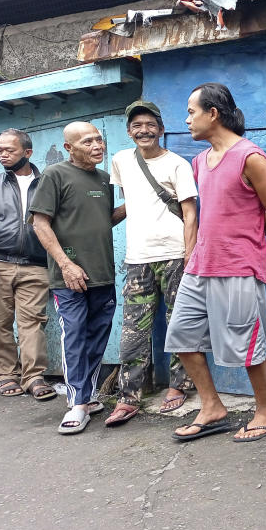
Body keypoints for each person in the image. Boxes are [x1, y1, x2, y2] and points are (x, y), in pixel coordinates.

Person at [164, 83, 266, 443]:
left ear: (213, 114)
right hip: (201, 265)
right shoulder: (200, 161)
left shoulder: (250, 157)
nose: (187, 119)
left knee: (246, 343)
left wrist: (242, 239)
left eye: (191, 111)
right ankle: (212, 407)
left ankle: (265, 411)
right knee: (182, 337)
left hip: (238, 266)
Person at [103, 101, 198, 426]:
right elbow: (132, 201)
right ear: (129, 131)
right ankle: (129, 397)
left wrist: (190, 252)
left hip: (174, 256)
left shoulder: (177, 164)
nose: (143, 130)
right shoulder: (120, 161)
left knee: (179, 323)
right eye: (136, 125)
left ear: (160, 129)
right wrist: (98, 226)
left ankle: (180, 385)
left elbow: (190, 213)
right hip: (137, 260)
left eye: (149, 124)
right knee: (133, 330)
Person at [31, 122, 125, 434]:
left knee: (98, 336)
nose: (97, 145)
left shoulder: (104, 178)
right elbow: (40, 223)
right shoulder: (55, 174)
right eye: (87, 141)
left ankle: (87, 395)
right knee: (74, 336)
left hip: (102, 273)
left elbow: (103, 220)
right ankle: (77, 404)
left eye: (99, 139)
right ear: (70, 148)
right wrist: (66, 264)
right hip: (69, 277)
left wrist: (137, 202)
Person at [0, 129, 52, 400]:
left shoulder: (47, 184)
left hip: (36, 264)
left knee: (33, 322)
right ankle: (5, 374)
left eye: (10, 150)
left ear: (27, 153)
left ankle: (34, 376)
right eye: (0, 150)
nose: (3, 155)